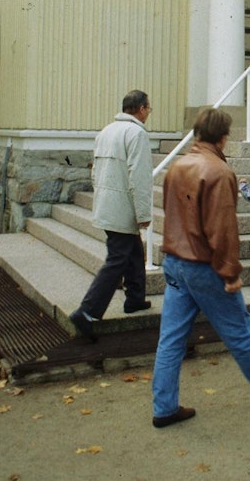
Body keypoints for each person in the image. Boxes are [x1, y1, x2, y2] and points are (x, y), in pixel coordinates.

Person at [151, 108, 250, 428]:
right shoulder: (218, 171)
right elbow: (222, 229)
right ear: (223, 137)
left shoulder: (177, 167)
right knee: (239, 328)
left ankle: (164, 406)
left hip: (175, 261)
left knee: (171, 337)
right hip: (203, 264)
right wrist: (230, 273)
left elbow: (170, 215)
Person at [69, 90, 154, 342]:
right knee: (118, 259)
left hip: (107, 203)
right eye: (148, 108)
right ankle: (87, 311)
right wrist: (144, 213)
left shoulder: (106, 131)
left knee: (133, 251)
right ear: (140, 108)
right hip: (123, 206)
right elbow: (139, 178)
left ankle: (135, 299)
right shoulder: (136, 133)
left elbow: (95, 171)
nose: (149, 112)